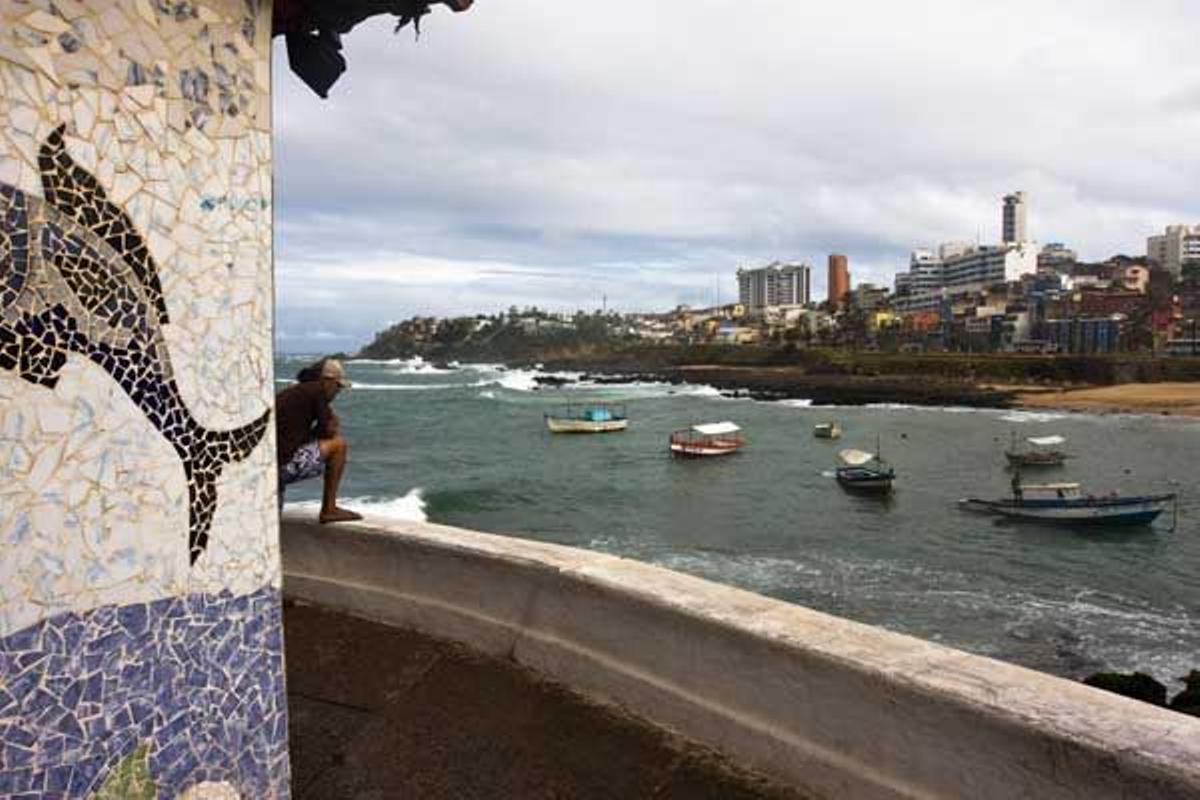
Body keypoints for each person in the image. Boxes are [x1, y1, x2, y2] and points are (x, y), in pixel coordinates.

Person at [276, 358, 363, 522]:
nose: (338, 392)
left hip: (269, 468)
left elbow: (297, 435)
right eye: (338, 386)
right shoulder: (317, 391)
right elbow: (328, 432)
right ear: (327, 381)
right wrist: (332, 422)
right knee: (339, 446)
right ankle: (329, 509)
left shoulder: (296, 392)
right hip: (281, 467)